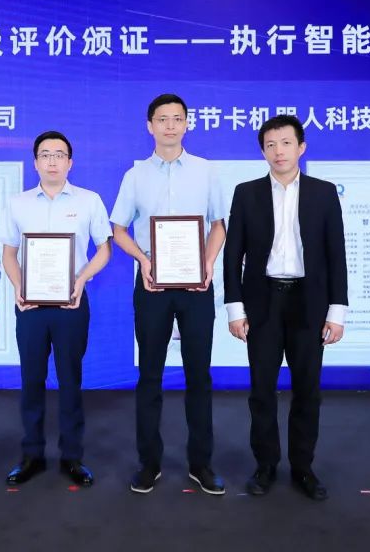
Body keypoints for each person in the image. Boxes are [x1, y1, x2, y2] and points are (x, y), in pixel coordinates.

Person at [223, 114, 348, 501]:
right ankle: (265, 465)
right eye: (271, 145)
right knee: (261, 389)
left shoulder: (323, 193)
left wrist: (337, 311)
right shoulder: (246, 193)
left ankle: (303, 467)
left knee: (308, 390)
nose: (279, 151)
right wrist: (234, 308)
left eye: (286, 143)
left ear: (301, 147)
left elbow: (336, 254)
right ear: (263, 151)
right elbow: (233, 254)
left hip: (308, 303)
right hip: (263, 301)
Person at [110, 93, 228, 495]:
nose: (170, 126)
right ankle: (149, 463)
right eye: (163, 119)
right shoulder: (136, 175)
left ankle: (201, 464)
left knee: (199, 376)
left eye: (178, 118)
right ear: (150, 126)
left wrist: (208, 262)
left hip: (197, 286)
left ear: (187, 124)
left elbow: (218, 225)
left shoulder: (206, 171)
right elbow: (118, 230)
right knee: (150, 376)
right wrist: (143, 260)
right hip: (152, 286)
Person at [0, 131, 112, 488]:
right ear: (35, 163)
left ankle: (72, 456)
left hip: (71, 304)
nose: (52, 161)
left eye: (59, 155)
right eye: (45, 155)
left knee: (70, 379)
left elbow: (105, 250)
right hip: (30, 306)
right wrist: (19, 286)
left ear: (70, 163)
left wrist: (81, 279)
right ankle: (31, 454)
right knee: (31, 380)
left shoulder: (89, 201)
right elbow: (8, 254)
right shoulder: (17, 203)